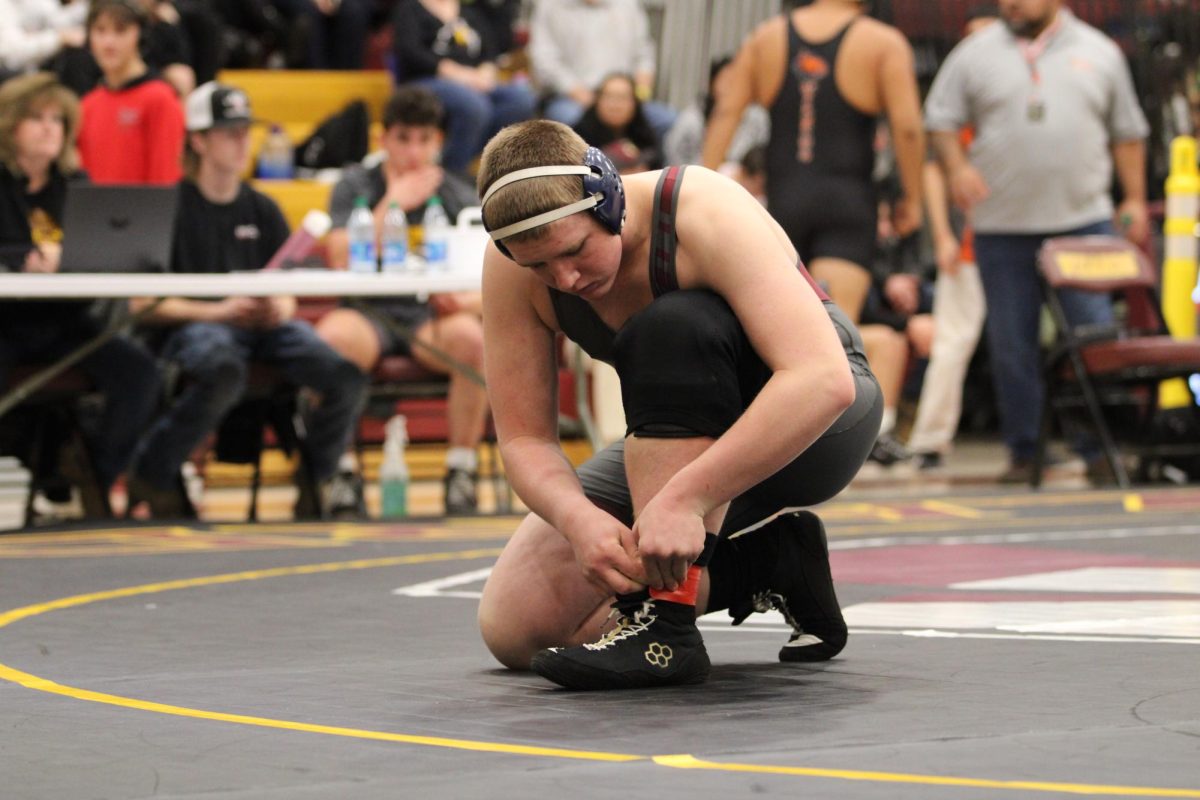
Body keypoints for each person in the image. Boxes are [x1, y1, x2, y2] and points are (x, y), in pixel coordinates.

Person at [475, 120, 883, 689]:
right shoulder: (515, 267)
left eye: (574, 251)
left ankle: (667, 631)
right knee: (520, 625)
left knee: (673, 326)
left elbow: (821, 380)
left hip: (816, 421)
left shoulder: (700, 211)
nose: (563, 278)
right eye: (539, 265)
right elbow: (524, 439)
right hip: (687, 429)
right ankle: (767, 564)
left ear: (610, 198)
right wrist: (577, 520)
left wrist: (687, 498)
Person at [924, 0, 1150, 484]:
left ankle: (1099, 449)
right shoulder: (974, 52)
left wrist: (1133, 197)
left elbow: (1127, 133)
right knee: (1012, 343)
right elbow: (939, 119)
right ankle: (1026, 451)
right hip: (1001, 226)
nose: (1011, 3)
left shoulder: (1100, 51)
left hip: (1083, 221)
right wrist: (957, 167)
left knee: (1093, 337)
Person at [126, 82, 367, 518]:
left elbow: (289, 289)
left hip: (263, 325)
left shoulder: (263, 208)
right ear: (198, 140)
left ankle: (315, 476)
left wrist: (280, 307)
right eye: (229, 132)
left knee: (345, 376)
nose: (242, 142)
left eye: (244, 131)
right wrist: (219, 309)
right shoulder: (169, 209)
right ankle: (152, 473)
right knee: (222, 367)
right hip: (199, 325)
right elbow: (142, 301)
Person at [316, 86, 489, 515]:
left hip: (428, 317)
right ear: (383, 140)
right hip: (366, 313)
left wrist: (464, 302)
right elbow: (338, 255)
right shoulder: (355, 183)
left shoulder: (457, 194)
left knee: (475, 341)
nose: (414, 151)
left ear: (440, 143)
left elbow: (494, 277)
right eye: (404, 138)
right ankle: (341, 471)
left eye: (425, 140)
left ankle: (461, 470)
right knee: (328, 342)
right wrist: (396, 201)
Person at [702, 0, 924, 325]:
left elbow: (725, 112)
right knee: (836, 338)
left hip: (783, 206)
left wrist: (702, 185)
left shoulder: (766, 37)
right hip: (846, 209)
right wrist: (913, 199)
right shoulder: (882, 43)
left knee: (776, 333)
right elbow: (907, 129)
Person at [0, 73, 161, 504]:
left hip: (66, 322)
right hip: (7, 324)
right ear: (10, 125)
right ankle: (42, 459)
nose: (50, 127)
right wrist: (20, 260)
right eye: (37, 118)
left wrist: (68, 260)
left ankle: (96, 473)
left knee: (141, 374)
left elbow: (104, 250)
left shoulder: (76, 186)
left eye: (58, 119)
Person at [905, 5, 999, 472]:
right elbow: (933, 173)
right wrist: (942, 234)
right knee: (951, 343)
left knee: (1022, 345)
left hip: (1025, 243)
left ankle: (1048, 435)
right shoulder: (956, 110)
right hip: (970, 247)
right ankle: (930, 439)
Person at [390, 0, 536, 173]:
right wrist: (456, 73)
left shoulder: (469, 12)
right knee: (473, 105)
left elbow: (490, 49)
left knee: (521, 99)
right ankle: (453, 173)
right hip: (426, 80)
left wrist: (486, 70)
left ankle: (472, 158)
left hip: (473, 80)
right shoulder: (410, 8)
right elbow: (410, 51)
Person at [528, 0, 677, 143]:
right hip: (572, 99)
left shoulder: (628, 4)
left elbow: (643, 54)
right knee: (570, 125)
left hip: (625, 97)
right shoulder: (550, 5)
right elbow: (545, 61)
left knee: (668, 121)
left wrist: (639, 94)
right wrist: (585, 97)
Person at [76, 0, 186, 185]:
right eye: (100, 30)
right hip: (95, 212)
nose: (108, 42)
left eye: (120, 30)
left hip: (146, 213)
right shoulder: (88, 104)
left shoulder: (160, 99)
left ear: (140, 34)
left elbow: (165, 182)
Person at [663, 56, 769, 169]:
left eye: (736, 81)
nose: (731, 87)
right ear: (712, 83)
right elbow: (676, 159)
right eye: (726, 80)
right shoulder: (692, 120)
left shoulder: (757, 117)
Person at [572, 73, 662, 173]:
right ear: (597, 100)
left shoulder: (645, 136)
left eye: (622, 97)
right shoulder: (578, 138)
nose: (615, 105)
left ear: (635, 103)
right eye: (609, 97)